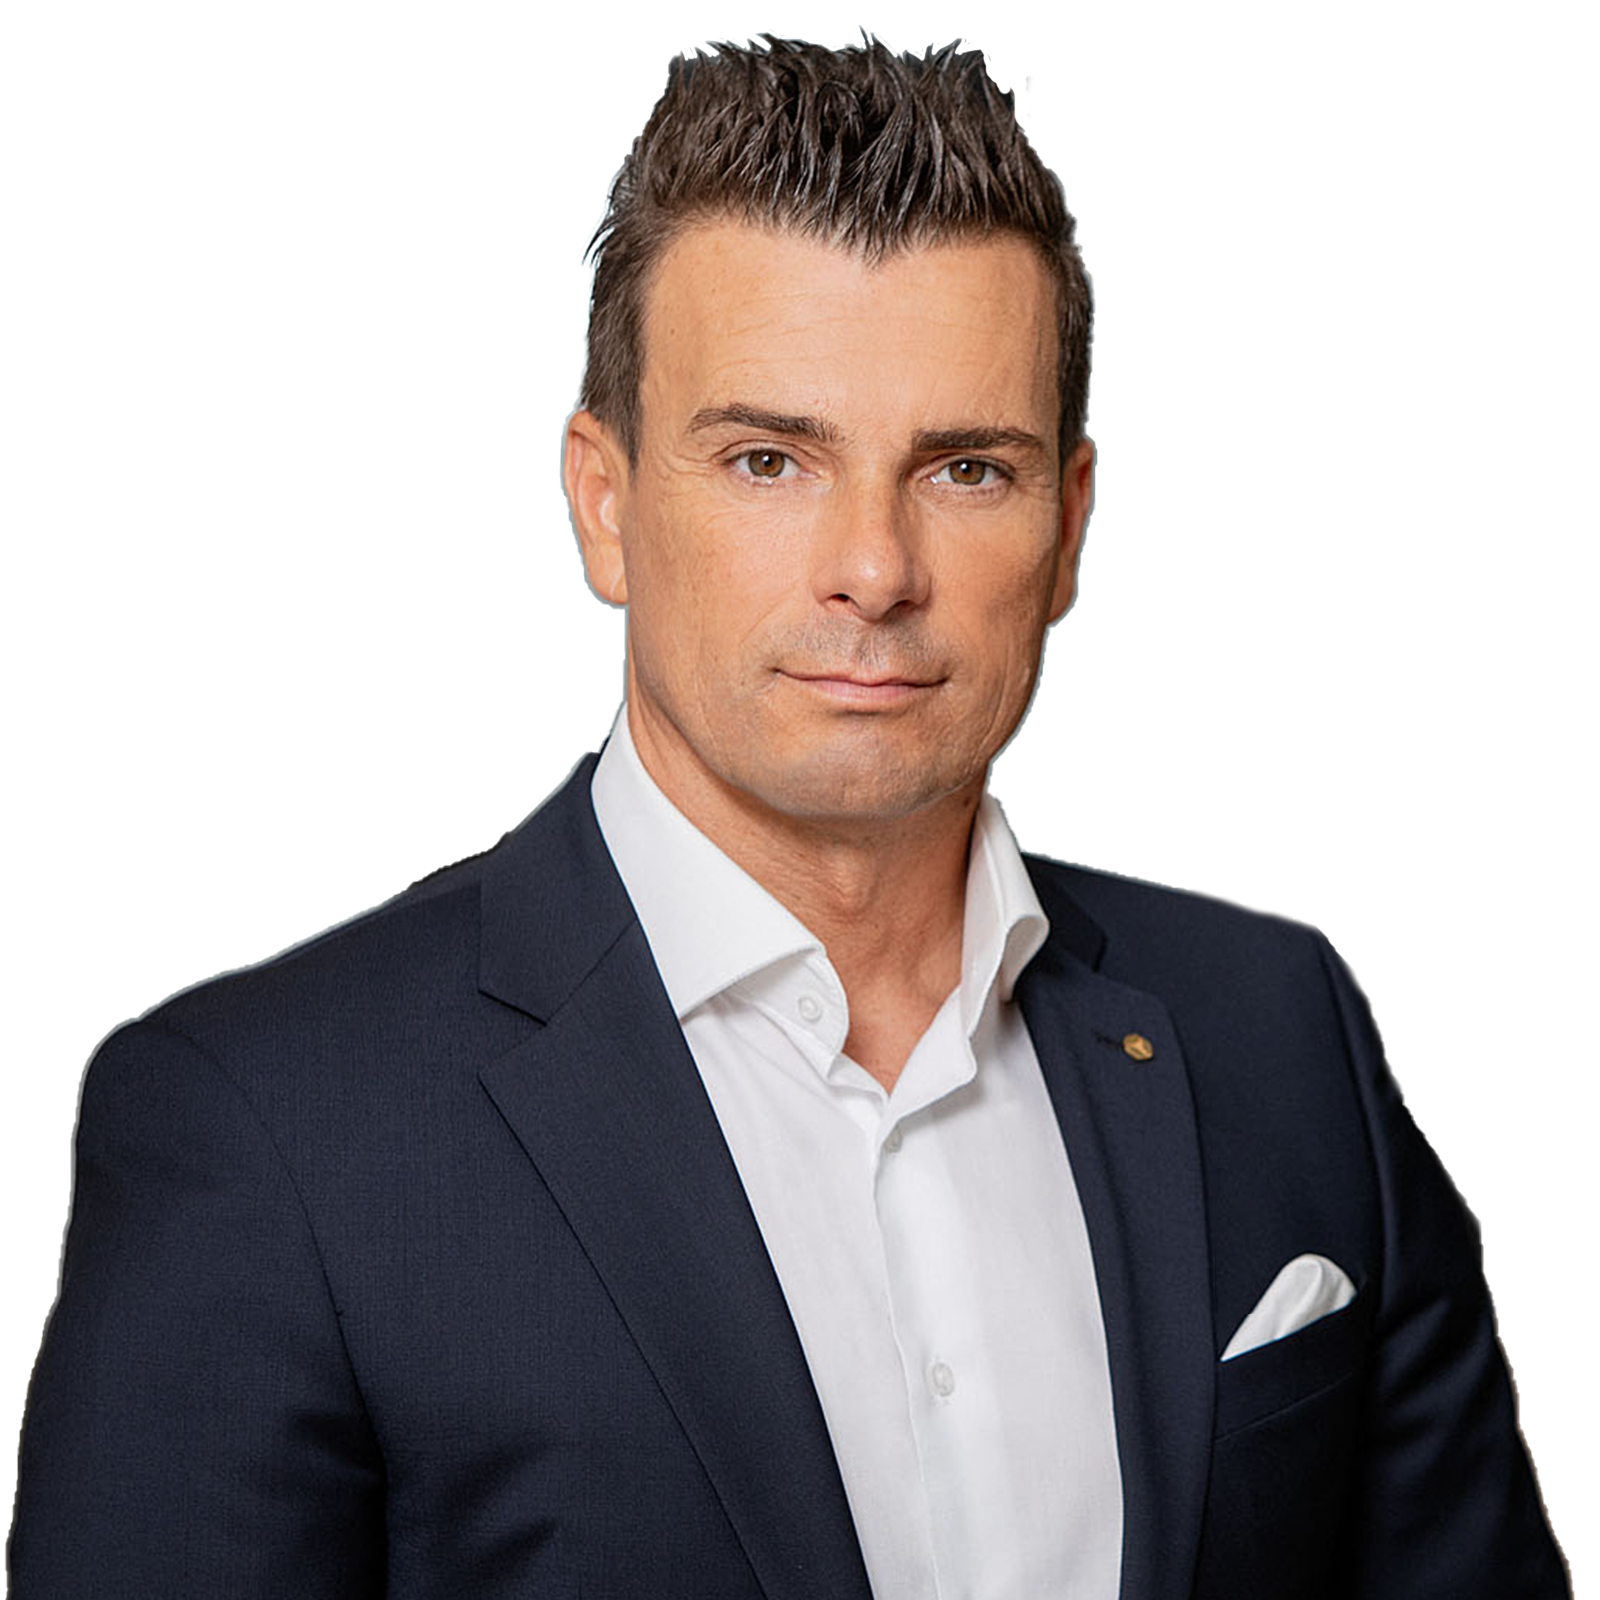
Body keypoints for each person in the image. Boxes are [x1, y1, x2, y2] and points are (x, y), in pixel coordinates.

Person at [12, 34, 1566, 1600]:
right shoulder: (270, 1136)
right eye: (769, 460)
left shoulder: (1290, 1037)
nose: (874, 570)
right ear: (606, 502)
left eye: (966, 470)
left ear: (1068, 525)